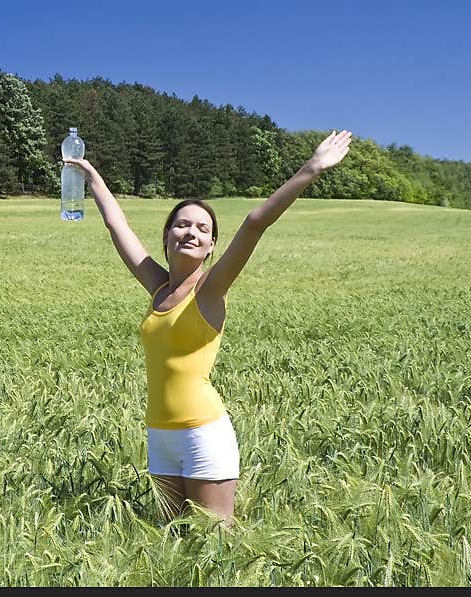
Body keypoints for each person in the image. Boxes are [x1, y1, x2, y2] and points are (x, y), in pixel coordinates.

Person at [64, 130, 352, 522]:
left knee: (214, 549)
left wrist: (312, 169)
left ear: (212, 244)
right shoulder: (158, 286)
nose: (191, 232)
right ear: (166, 236)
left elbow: (254, 223)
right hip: (159, 437)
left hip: (203, 434)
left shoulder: (210, 290)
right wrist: (90, 176)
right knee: (172, 544)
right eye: (182, 225)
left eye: (202, 229)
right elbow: (119, 228)